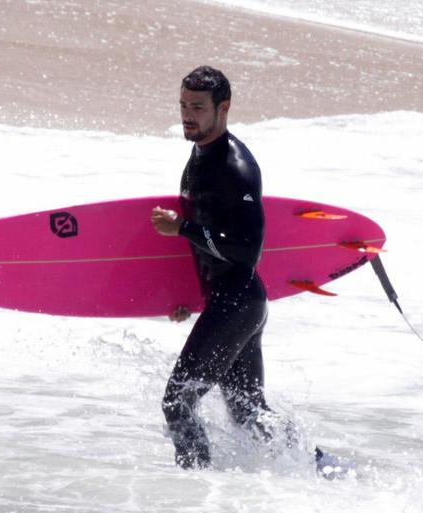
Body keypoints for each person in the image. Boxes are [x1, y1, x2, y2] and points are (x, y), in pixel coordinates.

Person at [150, 66, 293, 469]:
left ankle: (195, 491)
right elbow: (211, 246)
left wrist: (182, 227)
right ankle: (310, 466)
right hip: (232, 301)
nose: (186, 114)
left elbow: (247, 250)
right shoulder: (200, 153)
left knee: (177, 402)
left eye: (197, 106)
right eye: (182, 105)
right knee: (249, 413)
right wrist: (189, 297)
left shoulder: (236, 168)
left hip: (238, 302)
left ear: (223, 107)